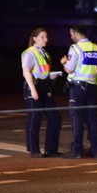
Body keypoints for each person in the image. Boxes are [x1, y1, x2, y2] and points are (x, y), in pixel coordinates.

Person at [61, 25, 97, 159]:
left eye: (71, 34)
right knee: (92, 119)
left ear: (76, 33)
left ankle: (77, 150)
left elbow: (69, 69)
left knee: (77, 118)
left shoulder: (75, 48)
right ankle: (95, 149)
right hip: (93, 87)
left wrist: (63, 62)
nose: (71, 37)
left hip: (78, 87)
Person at [21, 27, 62, 157]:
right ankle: (34, 150)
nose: (46, 39)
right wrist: (33, 89)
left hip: (44, 87)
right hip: (34, 87)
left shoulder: (44, 53)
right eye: (42, 37)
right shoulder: (30, 53)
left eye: (46, 37)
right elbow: (26, 70)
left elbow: (43, 72)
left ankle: (51, 150)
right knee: (35, 118)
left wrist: (50, 78)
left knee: (55, 118)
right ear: (34, 38)